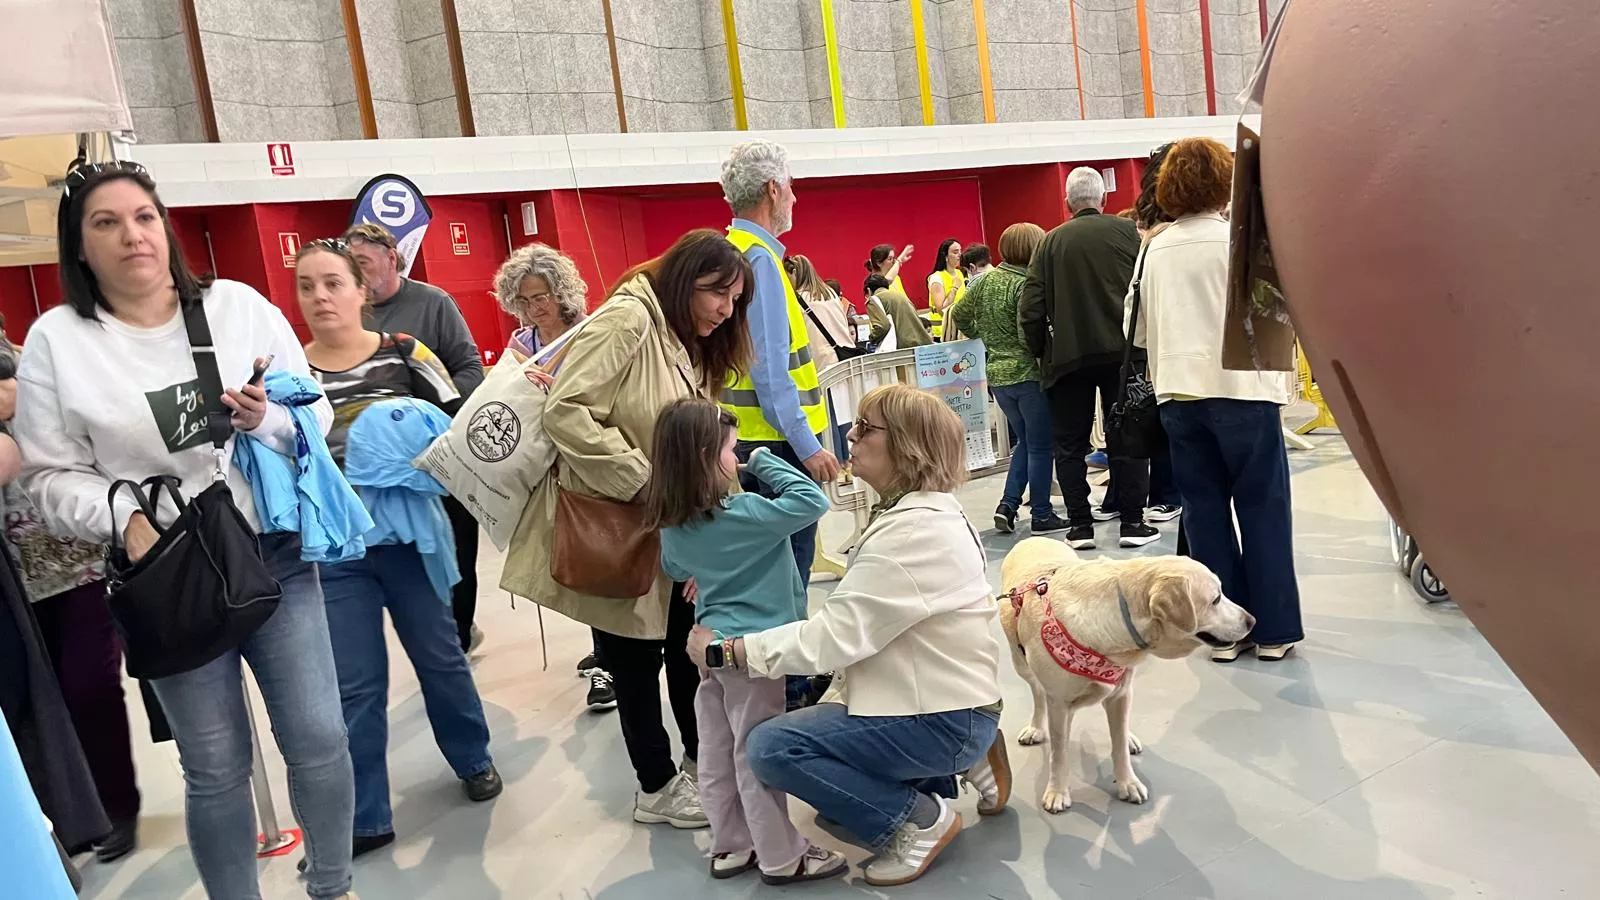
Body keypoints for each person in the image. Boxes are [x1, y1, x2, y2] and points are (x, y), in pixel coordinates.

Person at [15, 161, 355, 899]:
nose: (131, 235)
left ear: (162, 224)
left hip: (270, 553)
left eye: (142, 216)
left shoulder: (236, 307)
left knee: (320, 737)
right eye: (105, 223)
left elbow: (315, 411)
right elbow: (45, 477)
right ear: (79, 245)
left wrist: (265, 418)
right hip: (162, 574)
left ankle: (333, 883)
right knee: (214, 766)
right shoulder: (58, 341)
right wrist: (125, 517)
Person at [687, 384, 1010, 887]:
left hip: (940, 712)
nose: (850, 435)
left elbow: (832, 638)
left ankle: (919, 819)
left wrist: (728, 650)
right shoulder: (911, 513)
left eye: (866, 427)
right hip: (932, 695)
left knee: (771, 748)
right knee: (827, 787)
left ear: (908, 445)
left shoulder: (911, 531)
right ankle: (947, 768)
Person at [499, 228, 754, 828]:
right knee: (635, 662)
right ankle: (656, 787)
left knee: (685, 650)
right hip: (619, 525)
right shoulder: (628, 319)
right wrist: (644, 481)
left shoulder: (681, 335)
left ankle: (702, 762)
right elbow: (567, 410)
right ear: (684, 279)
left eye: (735, 300)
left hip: (669, 530)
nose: (726, 310)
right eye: (718, 293)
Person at [297, 238, 502, 860]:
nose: (320, 297)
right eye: (307, 285)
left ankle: (473, 757)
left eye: (333, 282)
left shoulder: (406, 352)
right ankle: (365, 816)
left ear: (362, 289)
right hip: (335, 552)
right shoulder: (290, 369)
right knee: (355, 685)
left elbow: (459, 425)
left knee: (440, 657)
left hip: (411, 541)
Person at [642, 399, 847, 885]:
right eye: (732, 450)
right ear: (709, 457)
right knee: (755, 754)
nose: (738, 459)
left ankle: (732, 845)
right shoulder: (750, 512)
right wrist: (762, 458)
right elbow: (812, 499)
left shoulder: (675, 527)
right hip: (756, 653)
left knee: (715, 751)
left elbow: (675, 570)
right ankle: (782, 856)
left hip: (710, 654)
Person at [1131, 137, 1301, 662]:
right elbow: (1276, 318)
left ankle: (1223, 636)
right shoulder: (1240, 241)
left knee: (1203, 512)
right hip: (1243, 391)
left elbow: (1134, 331)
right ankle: (1273, 631)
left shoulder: (1153, 249)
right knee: (1263, 507)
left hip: (1178, 394)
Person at [344, 222, 487, 655]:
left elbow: (469, 368)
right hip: (385, 468)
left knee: (457, 548)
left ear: (391, 257)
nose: (356, 273)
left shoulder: (432, 302)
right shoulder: (353, 312)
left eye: (363, 262)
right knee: (407, 558)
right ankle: (435, 633)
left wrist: (429, 415)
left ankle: (457, 637)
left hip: (440, 450)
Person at [489, 244, 617, 713]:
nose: (534, 307)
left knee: (602, 557)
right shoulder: (522, 344)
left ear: (561, 291)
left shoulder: (590, 332)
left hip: (591, 461)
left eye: (540, 296)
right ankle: (605, 650)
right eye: (523, 300)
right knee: (576, 562)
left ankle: (611, 658)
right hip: (548, 468)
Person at [1020, 166, 1159, 550]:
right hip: (1125, 355)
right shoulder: (1128, 235)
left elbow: (1030, 306)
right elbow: (1149, 289)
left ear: (1067, 203)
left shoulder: (1048, 243)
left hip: (1067, 359)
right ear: (1103, 199)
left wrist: (1039, 352)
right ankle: (1133, 522)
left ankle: (1080, 526)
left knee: (1069, 445)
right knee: (1127, 438)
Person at [718, 140, 835, 589]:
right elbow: (769, 372)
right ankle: (795, 661)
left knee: (769, 569)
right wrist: (809, 447)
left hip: (751, 441)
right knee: (789, 572)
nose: (794, 197)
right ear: (772, 189)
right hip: (778, 445)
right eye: (790, 187)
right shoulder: (761, 263)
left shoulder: (735, 252)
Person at [953, 223, 1067, 536]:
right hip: (1027, 375)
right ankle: (1042, 513)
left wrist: (982, 335)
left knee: (1027, 443)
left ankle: (1008, 504)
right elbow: (1027, 333)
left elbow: (959, 314)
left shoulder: (983, 281)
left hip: (997, 377)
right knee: (1041, 445)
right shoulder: (1026, 284)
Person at [863, 274, 933, 349]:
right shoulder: (902, 296)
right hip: (922, 344)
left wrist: (872, 339)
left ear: (869, 290)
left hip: (901, 348)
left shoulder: (874, 300)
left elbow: (882, 327)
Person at [926, 238, 965, 341]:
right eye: (955, 252)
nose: (960, 255)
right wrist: (954, 287)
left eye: (960, 251)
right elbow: (942, 309)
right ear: (946, 256)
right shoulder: (936, 278)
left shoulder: (960, 273)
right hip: (942, 332)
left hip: (960, 329)